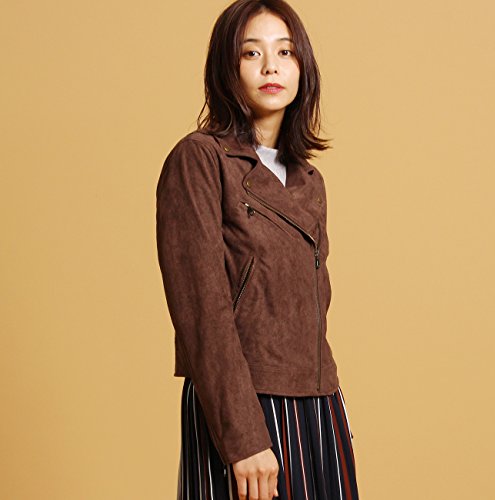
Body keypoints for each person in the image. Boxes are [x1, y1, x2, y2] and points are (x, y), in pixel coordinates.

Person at [156, 1, 359, 498]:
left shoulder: (308, 180)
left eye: (285, 52)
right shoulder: (200, 159)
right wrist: (243, 436)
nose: (271, 66)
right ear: (227, 68)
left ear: (302, 67)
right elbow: (201, 310)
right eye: (252, 53)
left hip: (319, 406)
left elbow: (312, 311)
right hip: (242, 404)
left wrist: (334, 412)